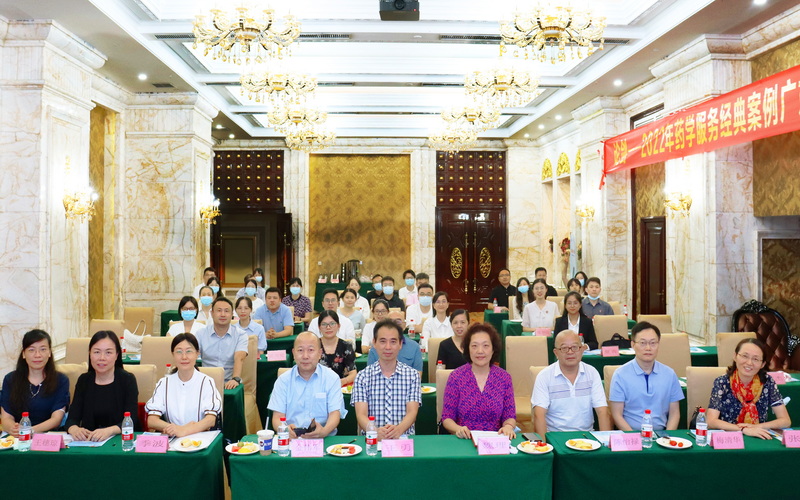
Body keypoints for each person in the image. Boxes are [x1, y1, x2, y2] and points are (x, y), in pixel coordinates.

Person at [441, 323, 516, 439]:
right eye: (474, 346)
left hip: (494, 440)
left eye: (485, 346)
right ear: (468, 349)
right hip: (464, 439)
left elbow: (509, 416)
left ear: (493, 349)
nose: (480, 351)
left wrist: (508, 427)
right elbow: (447, 418)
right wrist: (457, 429)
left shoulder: (504, 378)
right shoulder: (456, 377)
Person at [532, 330, 611, 439]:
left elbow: (602, 411)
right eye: (564, 348)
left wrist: (605, 442)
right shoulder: (544, 376)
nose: (570, 352)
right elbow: (539, 415)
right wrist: (544, 445)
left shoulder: (592, 373)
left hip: (586, 437)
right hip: (555, 437)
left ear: (582, 349)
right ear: (556, 352)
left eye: (575, 347)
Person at [706, 338, 791, 438]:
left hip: (758, 436)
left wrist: (756, 427)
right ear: (735, 356)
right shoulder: (722, 382)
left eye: (755, 359)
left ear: (763, 364)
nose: (749, 363)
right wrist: (743, 430)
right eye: (745, 356)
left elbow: (785, 421)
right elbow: (711, 421)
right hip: (730, 438)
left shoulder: (767, 382)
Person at [268, 332, 347, 438]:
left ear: (320, 353)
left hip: (324, 439)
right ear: (294, 353)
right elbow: (277, 417)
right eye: (300, 350)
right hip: (292, 439)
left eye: (311, 350)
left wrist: (324, 431)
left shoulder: (331, 378)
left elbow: (335, 413)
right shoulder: (283, 380)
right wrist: (284, 430)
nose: (305, 356)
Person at [352, 319, 422, 439]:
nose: (388, 347)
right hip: (373, 441)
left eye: (393, 342)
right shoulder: (362, 377)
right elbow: (361, 415)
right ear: (374, 343)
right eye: (383, 341)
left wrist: (398, 430)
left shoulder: (412, 375)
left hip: (403, 439)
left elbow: (412, 412)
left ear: (400, 344)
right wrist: (375, 432)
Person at [609, 322, 684, 431]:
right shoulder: (620, 375)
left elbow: (675, 413)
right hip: (630, 435)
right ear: (633, 345)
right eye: (643, 343)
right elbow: (617, 415)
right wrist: (634, 437)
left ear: (659, 344)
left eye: (653, 343)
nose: (648, 348)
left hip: (661, 435)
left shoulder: (669, 374)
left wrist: (667, 436)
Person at [66, 331, 140, 441]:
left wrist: (109, 431)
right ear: (90, 354)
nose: (102, 357)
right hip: (90, 441)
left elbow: (132, 419)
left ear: (117, 355)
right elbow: (72, 418)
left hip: (120, 441)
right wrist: (74, 429)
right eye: (96, 352)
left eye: (108, 352)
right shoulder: (84, 380)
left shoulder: (127, 380)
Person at [145, 333, 222, 437]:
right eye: (179, 352)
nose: (184, 357)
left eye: (189, 351)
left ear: (197, 354)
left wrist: (184, 430)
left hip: (199, 439)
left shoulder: (206, 382)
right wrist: (174, 429)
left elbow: (210, 420)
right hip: (172, 438)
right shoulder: (164, 383)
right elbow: (152, 421)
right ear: (173, 354)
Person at [1, 330, 69, 437]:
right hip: (17, 438)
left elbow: (56, 419)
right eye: (31, 350)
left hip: (48, 436)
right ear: (24, 354)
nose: (37, 355)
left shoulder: (61, 380)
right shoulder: (10, 379)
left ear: (49, 353)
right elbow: (6, 417)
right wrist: (13, 429)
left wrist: (29, 430)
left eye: (43, 349)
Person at [197, 297, 248, 389]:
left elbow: (239, 358)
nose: (223, 314)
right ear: (212, 313)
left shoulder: (241, 335)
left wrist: (235, 379)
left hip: (229, 383)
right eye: (219, 310)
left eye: (227, 311)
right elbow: (192, 355)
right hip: (205, 383)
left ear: (232, 314)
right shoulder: (200, 334)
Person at [317, 311, 357, 386]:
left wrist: (343, 381)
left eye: (332, 324)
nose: (328, 327)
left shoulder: (346, 346)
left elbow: (353, 373)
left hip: (339, 386)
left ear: (338, 326)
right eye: (324, 324)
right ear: (319, 327)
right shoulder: (313, 346)